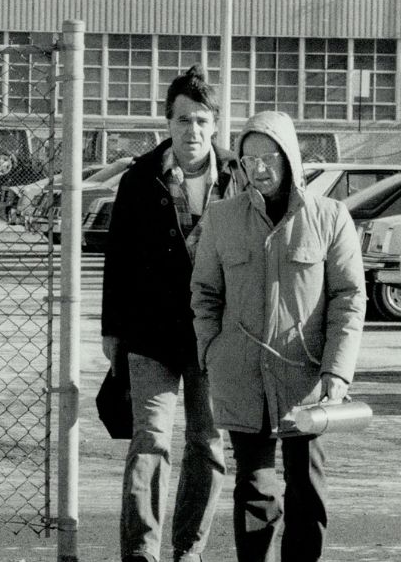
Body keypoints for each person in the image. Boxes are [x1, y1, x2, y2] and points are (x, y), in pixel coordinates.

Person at [191, 110, 366, 562]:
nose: (259, 170)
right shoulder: (222, 218)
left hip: (306, 381)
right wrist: (212, 351)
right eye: (248, 161)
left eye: (269, 158)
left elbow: (349, 298)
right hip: (242, 378)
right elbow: (205, 293)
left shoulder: (329, 217)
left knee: (307, 489)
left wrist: (337, 371)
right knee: (256, 491)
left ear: (290, 159)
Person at [101, 66, 238, 562]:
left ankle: (188, 550)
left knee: (207, 444)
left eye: (202, 120)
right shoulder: (141, 179)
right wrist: (112, 330)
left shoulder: (238, 177)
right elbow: (117, 257)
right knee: (150, 443)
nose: (192, 130)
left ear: (216, 124)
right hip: (150, 334)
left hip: (213, 337)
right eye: (183, 119)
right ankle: (141, 552)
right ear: (168, 122)